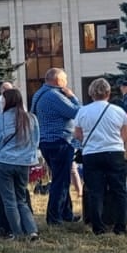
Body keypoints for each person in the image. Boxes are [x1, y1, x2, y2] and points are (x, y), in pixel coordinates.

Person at [73, 78, 127, 235]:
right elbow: (126, 136)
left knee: (95, 192)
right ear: (108, 93)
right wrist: (125, 149)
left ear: (91, 93)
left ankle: (98, 227)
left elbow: (78, 135)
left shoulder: (83, 111)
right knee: (119, 190)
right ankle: (120, 226)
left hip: (92, 154)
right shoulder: (118, 111)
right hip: (114, 152)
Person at [0, 89, 41, 242]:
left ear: (8, 101)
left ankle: (17, 233)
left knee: (9, 200)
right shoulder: (31, 118)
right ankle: (32, 231)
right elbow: (36, 141)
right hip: (24, 163)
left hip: (4, 162)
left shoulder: (1, 119)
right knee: (21, 197)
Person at [32, 69, 81, 226]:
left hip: (46, 141)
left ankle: (66, 213)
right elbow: (77, 112)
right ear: (58, 80)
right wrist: (73, 96)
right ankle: (54, 217)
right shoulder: (55, 96)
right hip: (59, 141)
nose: (66, 82)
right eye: (65, 79)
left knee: (61, 177)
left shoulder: (39, 94)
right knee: (61, 181)